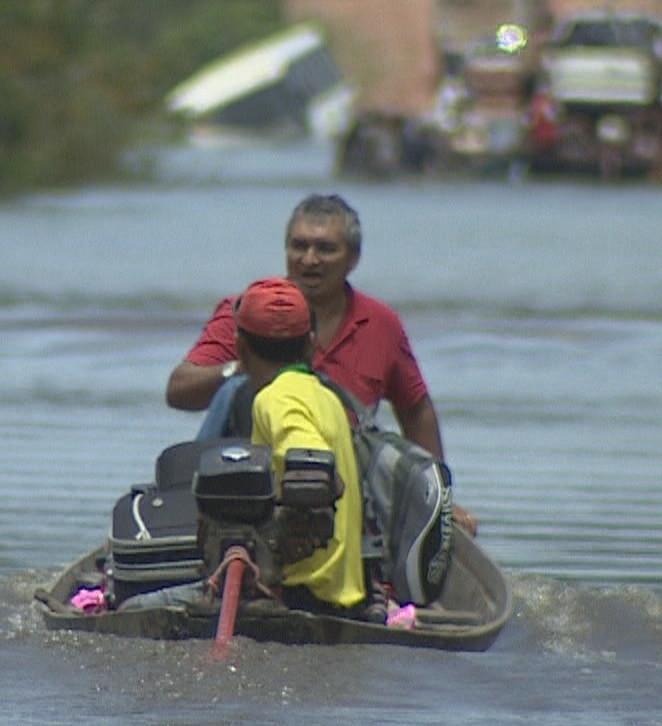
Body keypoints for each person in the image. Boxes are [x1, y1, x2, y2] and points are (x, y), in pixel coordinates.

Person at [165, 193, 478, 532]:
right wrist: (240, 367)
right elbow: (179, 390)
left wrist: (440, 500)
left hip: (345, 481)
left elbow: (416, 410)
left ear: (353, 257)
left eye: (326, 249)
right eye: (299, 247)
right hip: (245, 480)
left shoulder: (381, 324)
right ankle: (184, 513)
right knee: (236, 391)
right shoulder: (246, 311)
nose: (309, 260)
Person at [229, 276, 370, 617]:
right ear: (310, 345)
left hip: (301, 595)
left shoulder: (275, 398)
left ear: (240, 348)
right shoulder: (328, 398)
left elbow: (309, 465)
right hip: (345, 593)